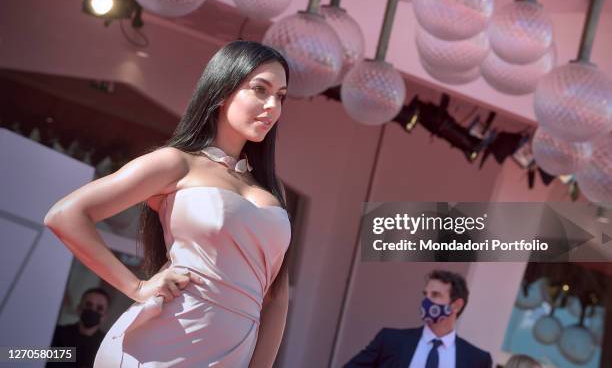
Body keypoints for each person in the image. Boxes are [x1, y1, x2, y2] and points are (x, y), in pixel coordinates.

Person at [44, 40, 292, 367]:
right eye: (260, 89)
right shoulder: (176, 164)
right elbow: (65, 215)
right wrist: (136, 286)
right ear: (222, 90)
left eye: (281, 96)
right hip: (164, 342)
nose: (272, 105)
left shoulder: (273, 192)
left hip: (232, 352)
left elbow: (277, 298)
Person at [344, 270, 492, 368]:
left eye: (435, 295)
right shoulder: (390, 340)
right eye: (425, 294)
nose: (426, 301)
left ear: (456, 306)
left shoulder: (477, 359)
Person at [46, 287, 110, 368]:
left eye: (99, 308)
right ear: (78, 309)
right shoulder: (57, 333)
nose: (93, 310)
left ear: (104, 316)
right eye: (88, 304)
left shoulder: (107, 346)